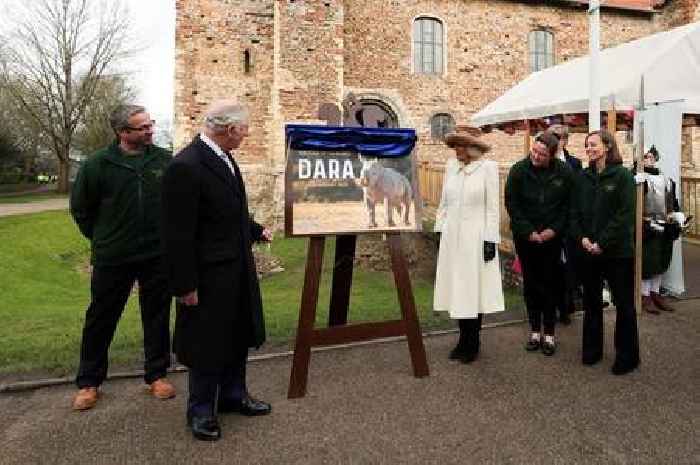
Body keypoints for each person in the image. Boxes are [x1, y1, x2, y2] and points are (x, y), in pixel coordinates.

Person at [161, 100, 273, 441]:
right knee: (207, 344)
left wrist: (254, 230)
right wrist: (184, 285)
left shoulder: (225, 159)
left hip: (236, 269)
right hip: (207, 276)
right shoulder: (186, 165)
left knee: (236, 335)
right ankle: (200, 411)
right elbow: (176, 233)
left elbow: (228, 210)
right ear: (228, 130)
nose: (246, 135)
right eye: (244, 130)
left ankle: (233, 395)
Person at [69, 105, 175, 410]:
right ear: (123, 132)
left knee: (156, 315)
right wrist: (104, 238)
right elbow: (81, 210)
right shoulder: (97, 164)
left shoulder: (163, 161)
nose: (150, 130)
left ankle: (156, 375)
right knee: (101, 318)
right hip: (113, 257)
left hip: (155, 254)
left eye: (150, 124)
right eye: (142, 127)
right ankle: (89, 382)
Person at [570, 130, 639, 375]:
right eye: (587, 145)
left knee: (624, 305)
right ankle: (591, 351)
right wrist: (583, 239)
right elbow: (574, 213)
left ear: (608, 146)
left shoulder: (621, 176)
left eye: (594, 144)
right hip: (589, 251)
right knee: (591, 303)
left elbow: (625, 215)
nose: (589, 149)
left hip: (617, 252)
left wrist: (602, 242)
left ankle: (627, 357)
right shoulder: (583, 177)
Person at [433, 130, 505, 363]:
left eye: (460, 146)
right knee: (457, 289)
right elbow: (444, 203)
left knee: (474, 290)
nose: (456, 150)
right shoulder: (451, 166)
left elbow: (493, 209)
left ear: (473, 148)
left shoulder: (488, 169)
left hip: (476, 239)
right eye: (454, 146)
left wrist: (490, 240)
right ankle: (462, 338)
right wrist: (439, 230)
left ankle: (472, 342)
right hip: (452, 238)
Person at [505, 131, 573, 356]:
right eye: (534, 151)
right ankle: (535, 330)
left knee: (551, 284)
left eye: (542, 154)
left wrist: (553, 230)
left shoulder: (564, 172)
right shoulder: (518, 171)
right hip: (526, 238)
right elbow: (512, 205)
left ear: (553, 155)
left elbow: (567, 206)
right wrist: (528, 231)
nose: (535, 156)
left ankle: (550, 332)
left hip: (552, 238)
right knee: (531, 283)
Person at [637, 146, 682, 314]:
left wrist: (677, 216)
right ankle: (644, 295)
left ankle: (656, 293)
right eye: (644, 156)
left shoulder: (667, 180)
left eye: (650, 156)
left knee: (661, 260)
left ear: (655, 158)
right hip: (646, 226)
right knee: (647, 263)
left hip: (665, 224)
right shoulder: (637, 178)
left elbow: (672, 203)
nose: (648, 159)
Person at [547, 124, 583, 325]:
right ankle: (550, 308)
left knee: (568, 267)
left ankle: (566, 305)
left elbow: (578, 192)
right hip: (549, 223)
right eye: (551, 136)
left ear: (565, 140)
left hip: (569, 224)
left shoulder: (574, 163)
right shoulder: (543, 160)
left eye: (558, 137)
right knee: (550, 268)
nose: (554, 139)